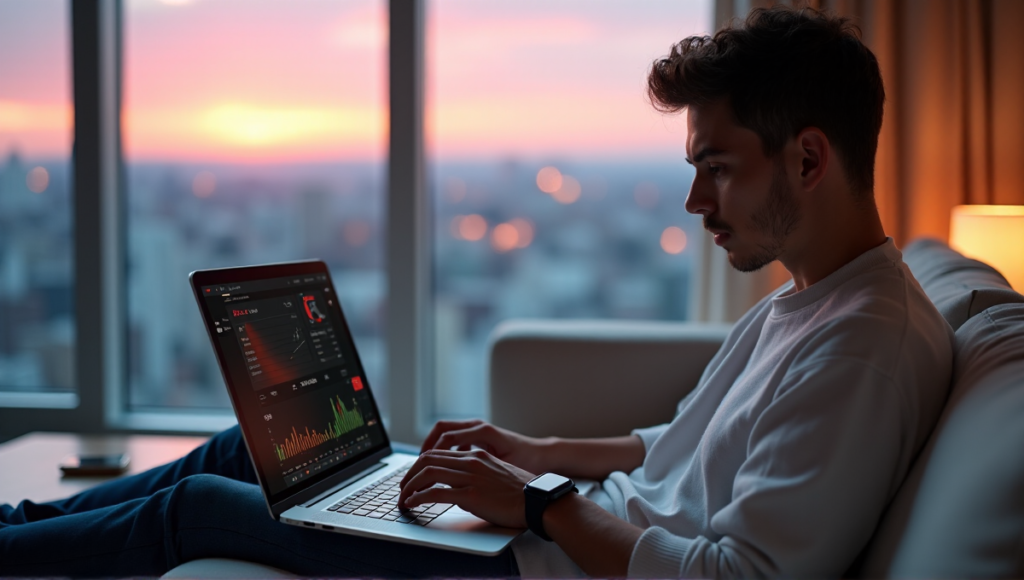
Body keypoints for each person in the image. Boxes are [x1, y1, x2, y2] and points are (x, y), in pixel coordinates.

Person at [0, 6, 952, 578]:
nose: (696, 198)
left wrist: (535, 504)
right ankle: (21, 524)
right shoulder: (812, 298)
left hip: (536, 564)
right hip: (559, 525)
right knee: (250, 449)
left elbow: (737, 574)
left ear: (811, 157)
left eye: (719, 166)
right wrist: (530, 453)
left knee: (197, 508)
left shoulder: (863, 344)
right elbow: (678, 449)